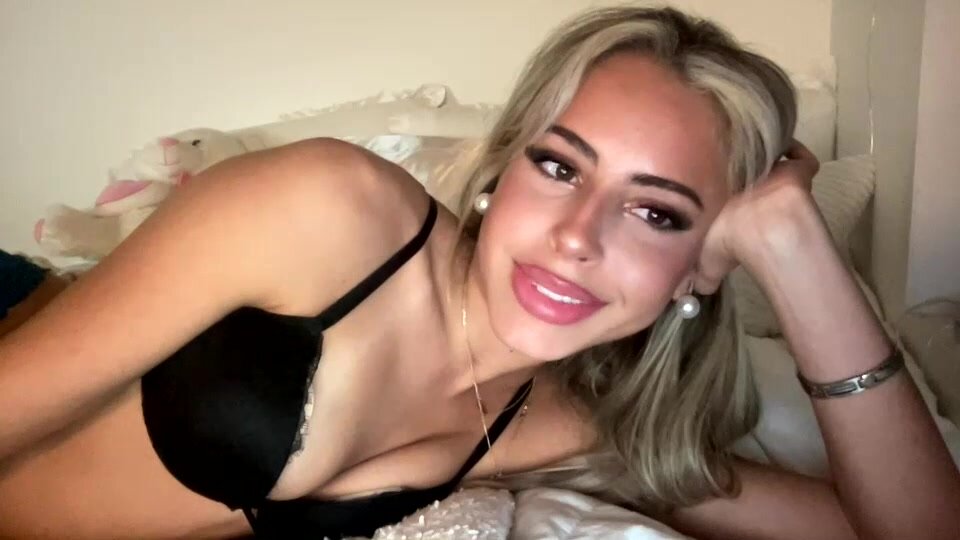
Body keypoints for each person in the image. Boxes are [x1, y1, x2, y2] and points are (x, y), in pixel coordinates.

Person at [1, 6, 958, 539]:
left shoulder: (565, 425)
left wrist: (794, 243)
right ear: (502, 171)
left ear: (700, 269)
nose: (577, 237)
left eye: (657, 212)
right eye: (560, 167)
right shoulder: (325, 209)